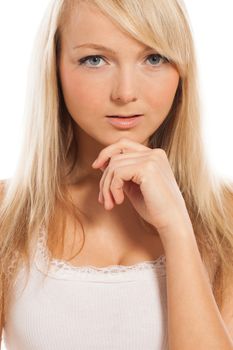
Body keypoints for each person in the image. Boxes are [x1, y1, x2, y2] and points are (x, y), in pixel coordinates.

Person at [0, 0, 233, 349]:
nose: (125, 93)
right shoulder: (8, 215)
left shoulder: (225, 219)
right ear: (55, 67)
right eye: (95, 60)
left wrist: (177, 227)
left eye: (154, 58)